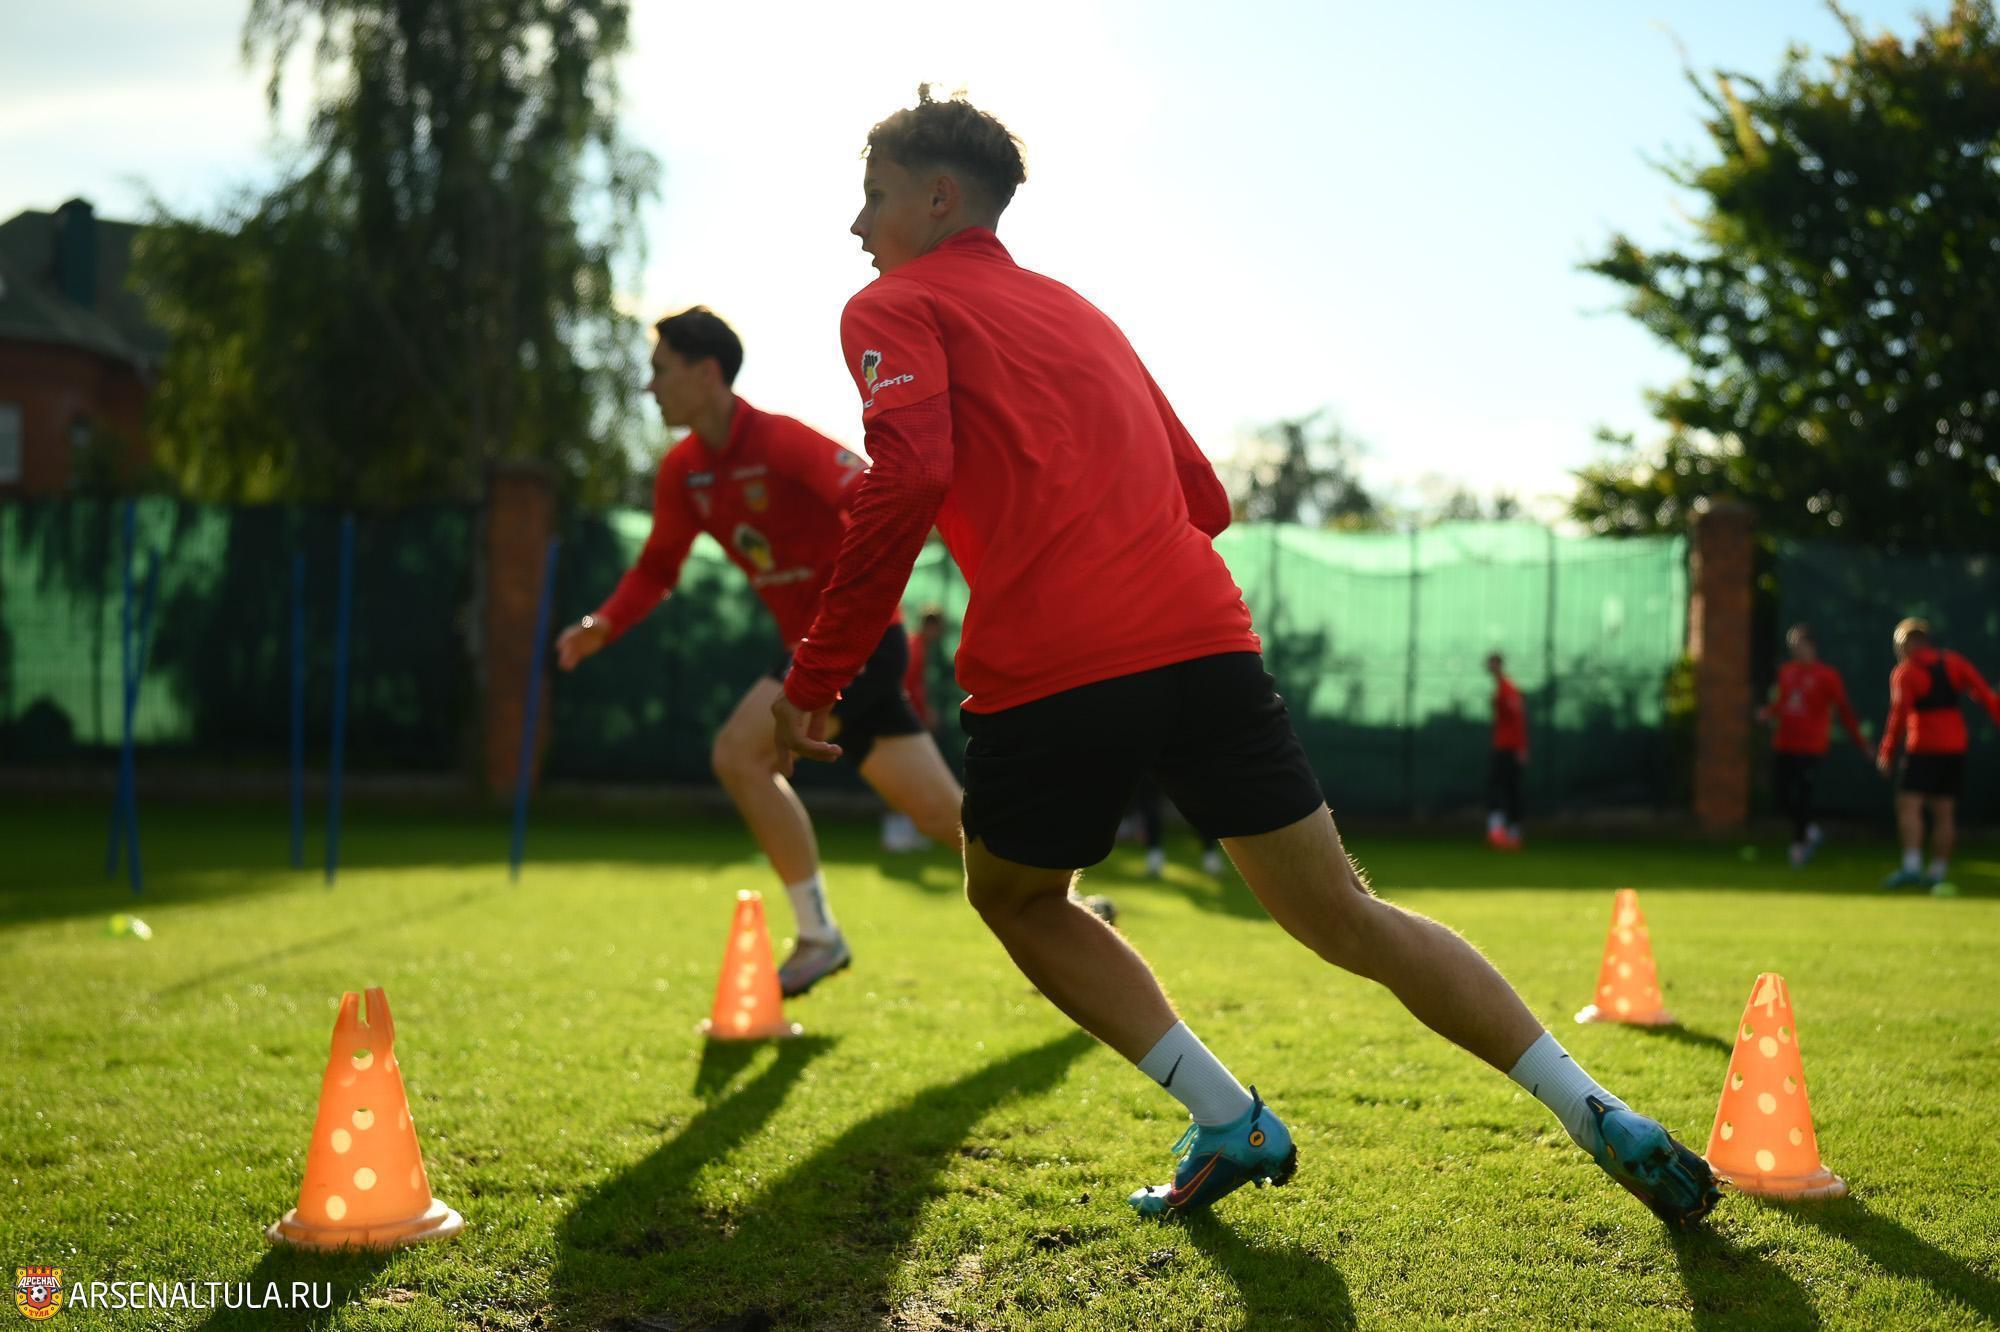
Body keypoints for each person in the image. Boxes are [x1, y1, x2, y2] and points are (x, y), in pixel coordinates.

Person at [769, 88, 1717, 1227]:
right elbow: (1202, 496)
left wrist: (815, 676)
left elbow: (910, 474)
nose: (856, 225)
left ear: (936, 198)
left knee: (1014, 897)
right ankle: (1594, 1106)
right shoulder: (1081, 313)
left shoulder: (889, 304)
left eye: (872, 196)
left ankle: (1227, 1115)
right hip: (1203, 639)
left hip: (1056, 659)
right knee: (1348, 916)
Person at [557, 307, 963, 996]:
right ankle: (1067, 904)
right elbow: (656, 568)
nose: (650, 387)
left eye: (660, 371)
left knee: (737, 754)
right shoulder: (683, 472)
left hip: (853, 640)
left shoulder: (781, 441)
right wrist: (604, 623)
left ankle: (818, 936)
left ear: (706, 372)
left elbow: (877, 496)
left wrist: (855, 607)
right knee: (941, 816)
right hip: (822, 653)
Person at [1876, 617, 2000, 891]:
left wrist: (1886, 752)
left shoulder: (1905, 672)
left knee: (1909, 805)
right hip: (1954, 747)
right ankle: (1938, 872)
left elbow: (1898, 716)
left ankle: (1911, 868)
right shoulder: (1954, 662)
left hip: (1922, 747)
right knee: (1945, 811)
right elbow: (1985, 695)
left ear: (1906, 643)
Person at [1757, 624, 1867, 867]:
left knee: (1804, 796)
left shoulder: (1827, 675)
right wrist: (1768, 713)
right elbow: (1781, 703)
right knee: (1781, 797)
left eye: (1800, 644)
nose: (1796, 649)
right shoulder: (1786, 672)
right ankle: (1809, 831)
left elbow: (1843, 709)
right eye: (1793, 645)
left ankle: (1799, 845)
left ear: (1811, 646)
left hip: (1811, 746)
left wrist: (1861, 741)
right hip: (1785, 743)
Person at [881, 607, 947, 852]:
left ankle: (907, 832)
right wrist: (923, 715)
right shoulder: (914, 648)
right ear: (930, 627)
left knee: (909, 778)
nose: (939, 634)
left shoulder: (919, 648)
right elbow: (907, 688)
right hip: (901, 725)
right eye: (938, 629)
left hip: (907, 723)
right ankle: (895, 833)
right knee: (900, 777)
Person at [1485, 653, 1527, 850]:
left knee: (1511, 791)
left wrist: (1521, 747)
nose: (1490, 668)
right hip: (1501, 746)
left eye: (1493, 664)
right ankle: (1499, 830)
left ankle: (1511, 833)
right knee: (1498, 788)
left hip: (1509, 749)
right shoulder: (1501, 688)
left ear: (1499, 665)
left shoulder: (1508, 689)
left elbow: (1518, 720)